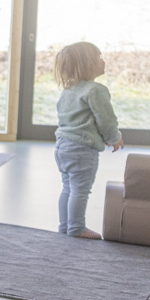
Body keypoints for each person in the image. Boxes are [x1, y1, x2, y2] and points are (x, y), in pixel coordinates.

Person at [54, 41, 124, 238]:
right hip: (82, 149)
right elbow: (106, 119)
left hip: (62, 147)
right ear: (87, 64)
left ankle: (65, 226)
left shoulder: (69, 90)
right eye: (98, 57)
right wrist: (114, 138)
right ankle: (77, 228)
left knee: (68, 188)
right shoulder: (96, 90)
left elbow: (77, 119)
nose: (103, 61)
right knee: (80, 190)